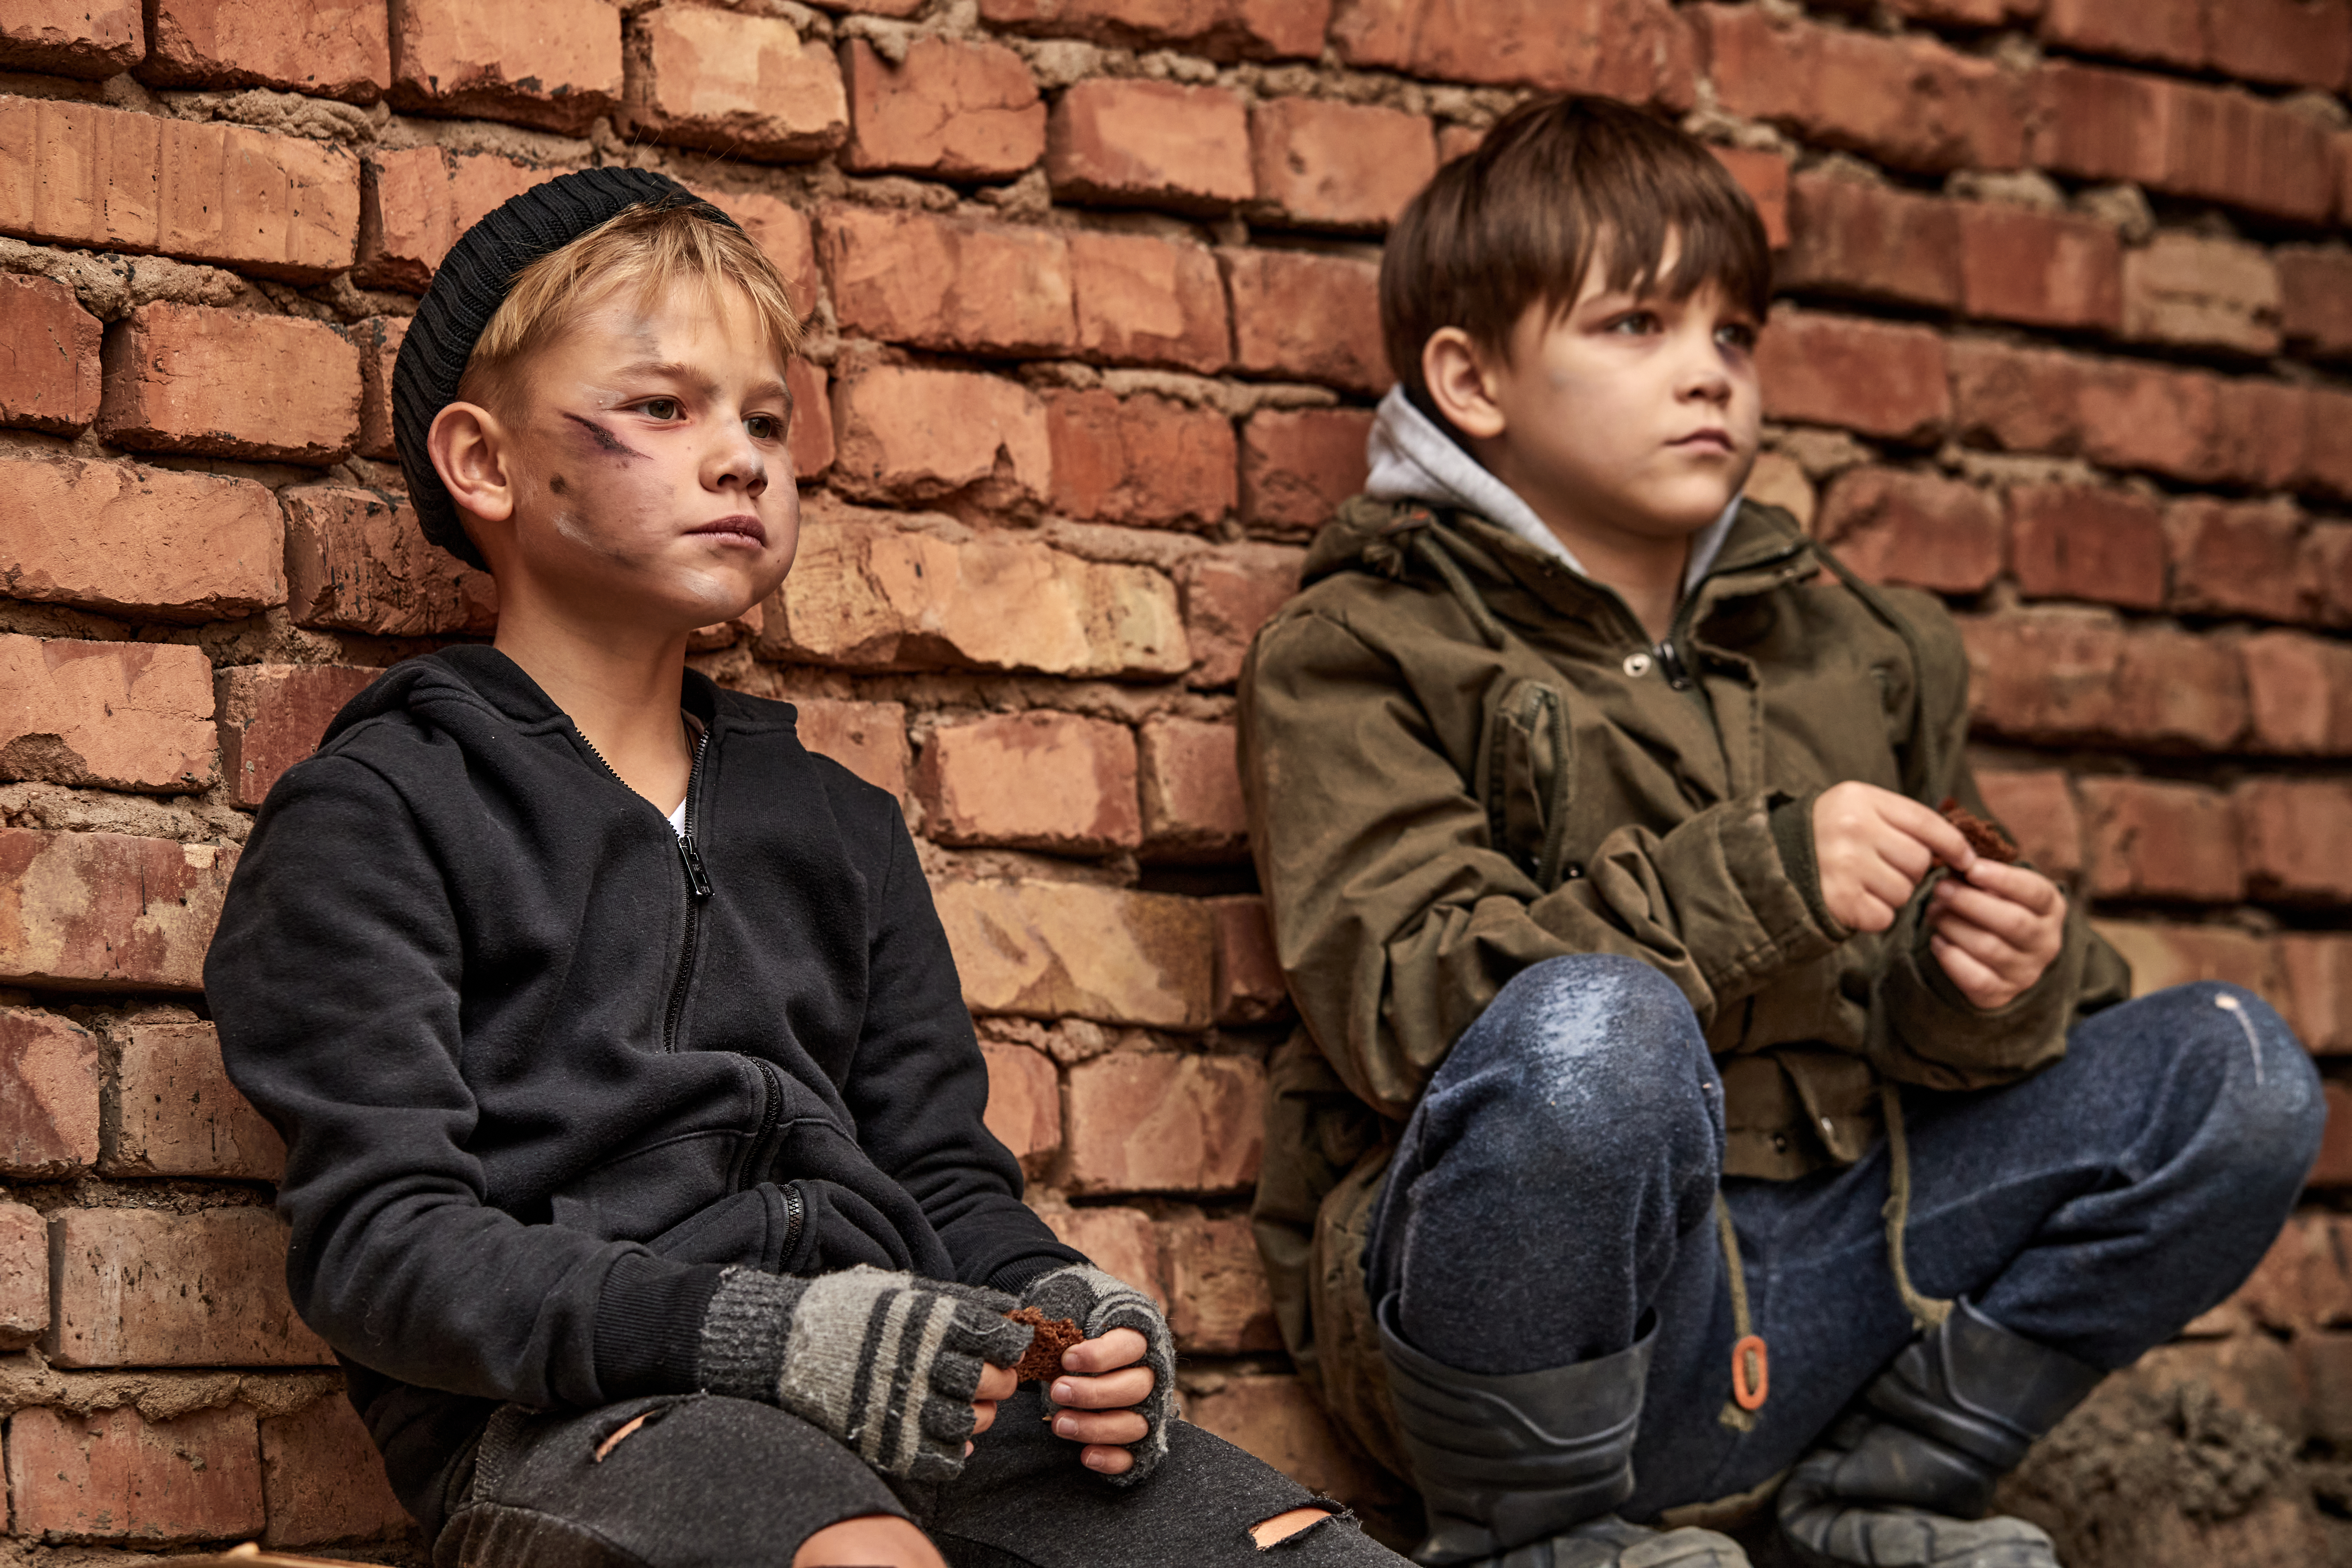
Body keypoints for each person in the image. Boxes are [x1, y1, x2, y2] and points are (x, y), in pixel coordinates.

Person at [204, 167, 1400, 1568]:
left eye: (765, 420)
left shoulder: (841, 826)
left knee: (1305, 1551)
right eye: (664, 408)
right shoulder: (378, 812)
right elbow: (384, 1246)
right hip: (590, 1424)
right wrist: (760, 1336)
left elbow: (943, 1180)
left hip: (917, 1408)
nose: (741, 459)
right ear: (485, 463)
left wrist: (1063, 1308)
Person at [1237, 96, 2325, 1568]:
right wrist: (1765, 876)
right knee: (1596, 1031)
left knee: (2237, 1071)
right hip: (1572, 1331)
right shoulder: (1361, 649)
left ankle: (1877, 1496)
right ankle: (1537, 1540)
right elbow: (1411, 1010)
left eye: (1734, 333)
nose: (1710, 374)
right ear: (1471, 379)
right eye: (1638, 325)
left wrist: (1991, 983)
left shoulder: (1861, 645)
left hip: (1844, 1284)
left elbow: (1983, 1047)